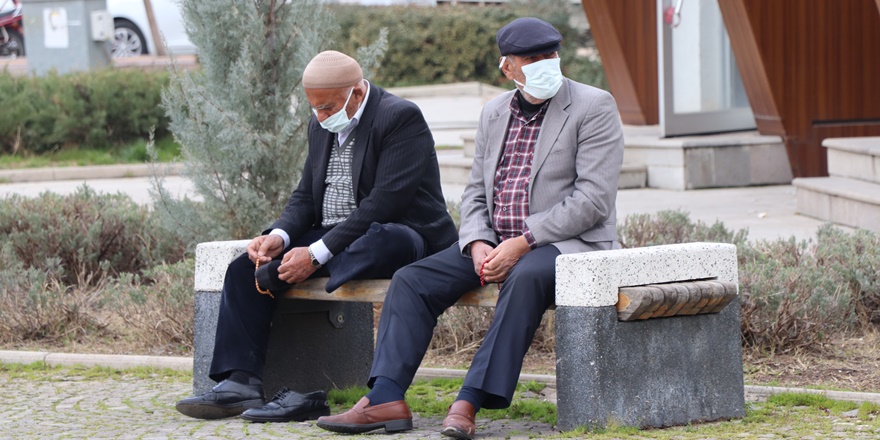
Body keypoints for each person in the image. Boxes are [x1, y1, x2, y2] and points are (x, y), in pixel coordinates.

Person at [315, 17, 625, 438]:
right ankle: (385, 397)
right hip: (495, 244)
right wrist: (477, 241)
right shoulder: (494, 112)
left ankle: (469, 399)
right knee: (412, 280)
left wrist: (523, 241)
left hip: (569, 245)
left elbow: (593, 199)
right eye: (532, 58)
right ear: (507, 67)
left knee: (525, 276)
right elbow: (476, 192)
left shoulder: (594, 105)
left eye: (550, 54)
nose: (546, 63)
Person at [175, 50, 458, 422]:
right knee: (245, 268)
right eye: (314, 108)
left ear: (357, 93)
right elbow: (306, 196)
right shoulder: (321, 123)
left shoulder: (399, 117)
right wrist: (280, 236)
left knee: (384, 240)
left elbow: (384, 202)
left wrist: (314, 256)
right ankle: (240, 382)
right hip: (335, 239)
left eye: (327, 108)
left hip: (400, 233)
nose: (321, 117)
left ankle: (295, 270)